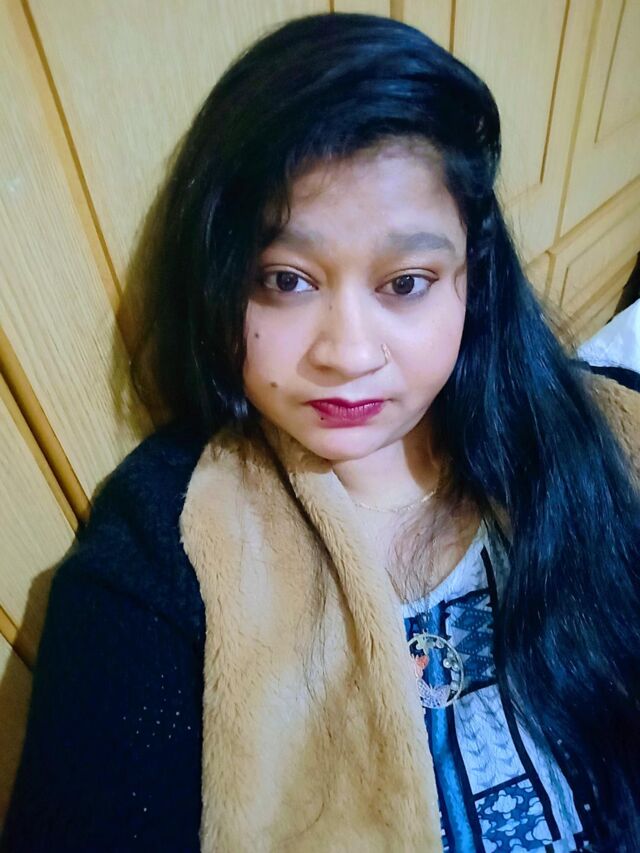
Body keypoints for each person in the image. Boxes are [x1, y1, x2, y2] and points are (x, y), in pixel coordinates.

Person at [2, 11, 640, 853]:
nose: (347, 353)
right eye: (286, 280)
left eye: (405, 282)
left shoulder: (604, 434)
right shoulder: (166, 546)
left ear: (472, 277)